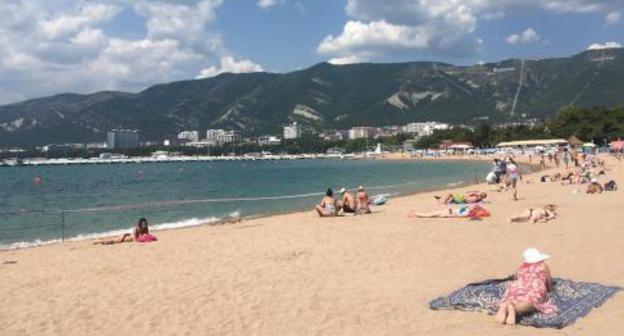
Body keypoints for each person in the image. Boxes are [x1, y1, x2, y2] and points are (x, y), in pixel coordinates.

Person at [495, 248, 557, 326]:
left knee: (514, 297)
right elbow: (549, 282)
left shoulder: (521, 267)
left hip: (518, 285)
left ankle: (505, 305)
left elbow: (516, 277)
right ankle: (515, 309)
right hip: (535, 285)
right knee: (532, 302)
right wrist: (550, 291)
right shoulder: (543, 265)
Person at [408, 204, 489, 219]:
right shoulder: (468, 210)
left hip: (447, 213)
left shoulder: (467, 212)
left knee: (430, 214)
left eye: (475, 207)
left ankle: (415, 214)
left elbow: (457, 213)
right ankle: (416, 214)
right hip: (447, 212)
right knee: (431, 214)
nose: (474, 206)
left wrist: (450, 210)